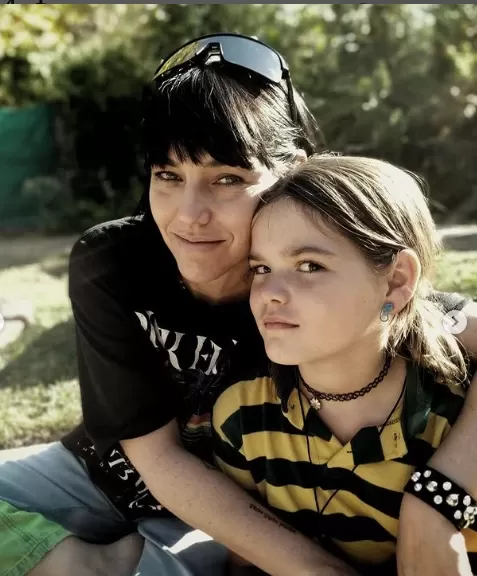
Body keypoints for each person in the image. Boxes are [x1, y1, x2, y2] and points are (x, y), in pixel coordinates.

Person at [0, 33, 476, 576]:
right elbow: (156, 456)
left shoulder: (328, 292)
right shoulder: (113, 262)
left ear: (289, 174)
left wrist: (435, 503)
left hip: (232, 509)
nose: (188, 215)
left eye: (227, 178)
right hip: (94, 473)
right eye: (167, 175)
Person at [212, 154, 477, 576]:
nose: (270, 292)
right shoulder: (241, 415)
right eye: (260, 268)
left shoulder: (453, 414)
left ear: (396, 280)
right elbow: (246, 559)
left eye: (309, 265)